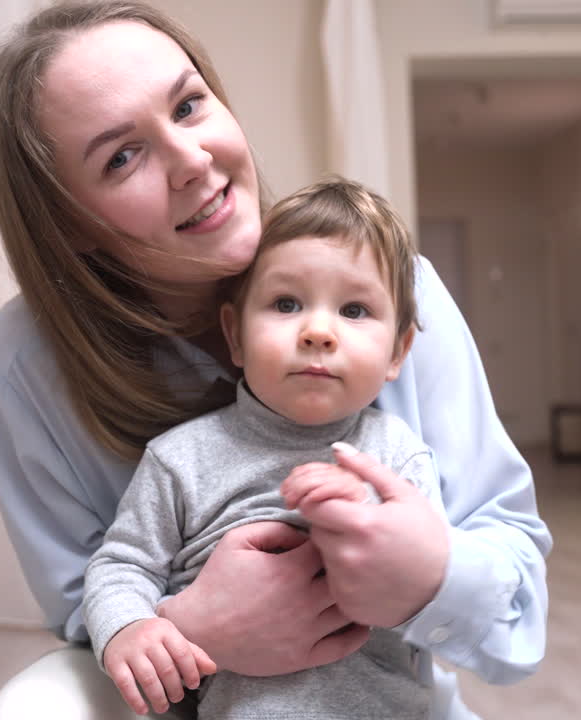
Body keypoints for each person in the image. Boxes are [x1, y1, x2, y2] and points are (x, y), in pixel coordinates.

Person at [0, 2, 551, 719]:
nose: (192, 160)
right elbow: (88, 608)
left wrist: (431, 576)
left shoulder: (397, 294)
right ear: (70, 225)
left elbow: (516, 610)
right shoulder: (25, 368)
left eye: (189, 105)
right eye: (122, 156)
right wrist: (199, 628)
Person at [84, 178, 446, 719]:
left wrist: (363, 522)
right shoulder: (181, 460)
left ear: (398, 351)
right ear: (234, 336)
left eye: (353, 310)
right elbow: (121, 564)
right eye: (286, 303)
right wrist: (130, 628)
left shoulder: (397, 457)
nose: (318, 331)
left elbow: (426, 586)